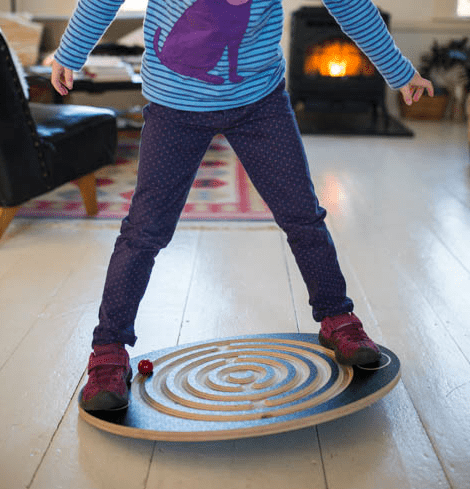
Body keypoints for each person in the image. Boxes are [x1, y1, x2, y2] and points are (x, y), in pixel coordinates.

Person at [51, 0, 433, 411]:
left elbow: (349, 4)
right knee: (144, 231)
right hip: (175, 106)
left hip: (259, 102)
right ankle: (108, 350)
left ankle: (337, 317)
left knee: (303, 216)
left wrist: (398, 71)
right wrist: (70, 53)